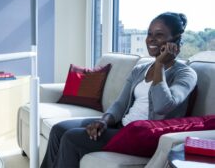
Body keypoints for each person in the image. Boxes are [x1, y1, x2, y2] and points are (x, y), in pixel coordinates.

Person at [40, 12, 198, 168]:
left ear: (175, 42)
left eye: (159, 35)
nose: (151, 39)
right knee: (59, 129)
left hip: (144, 137)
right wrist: (103, 121)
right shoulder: (140, 69)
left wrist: (160, 65)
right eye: (149, 34)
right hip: (122, 126)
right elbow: (120, 104)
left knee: (71, 138)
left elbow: (163, 106)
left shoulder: (185, 74)